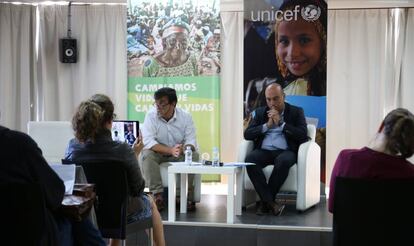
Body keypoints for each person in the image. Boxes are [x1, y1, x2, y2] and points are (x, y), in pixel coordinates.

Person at [63, 94, 165, 246]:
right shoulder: (123, 150)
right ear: (110, 121)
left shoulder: (72, 147)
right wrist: (134, 154)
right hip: (117, 214)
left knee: (117, 200)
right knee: (147, 200)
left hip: (85, 213)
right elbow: (138, 188)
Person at [0, 124, 106, 246]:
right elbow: (56, 193)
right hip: (33, 237)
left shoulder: (72, 146)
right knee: (76, 217)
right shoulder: (19, 144)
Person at [328, 108, 414, 213]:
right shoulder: (409, 172)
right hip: (393, 229)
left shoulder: (346, 159)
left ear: (381, 127)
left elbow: (332, 207)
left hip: (351, 229)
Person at [244, 83, 308, 216]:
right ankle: (271, 203)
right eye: (268, 99)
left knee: (283, 161)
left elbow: (302, 134)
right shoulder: (261, 112)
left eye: (275, 99)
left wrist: (282, 124)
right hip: (265, 151)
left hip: (285, 151)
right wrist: (266, 126)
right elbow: (247, 134)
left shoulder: (296, 112)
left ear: (283, 97)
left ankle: (265, 202)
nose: (272, 103)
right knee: (250, 159)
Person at [141, 87, 199, 211]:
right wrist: (170, 150)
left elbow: (191, 140)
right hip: (159, 152)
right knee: (146, 154)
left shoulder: (185, 116)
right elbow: (148, 141)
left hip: (179, 152)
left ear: (173, 104)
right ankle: (157, 196)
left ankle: (182, 196)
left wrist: (185, 148)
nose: (158, 107)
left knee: (194, 155)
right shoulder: (151, 115)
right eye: (156, 104)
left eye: (162, 104)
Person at [274, 0, 327, 96]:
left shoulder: (337, 88)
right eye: (284, 41)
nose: (292, 53)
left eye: (304, 40)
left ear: (323, 42)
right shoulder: (270, 92)